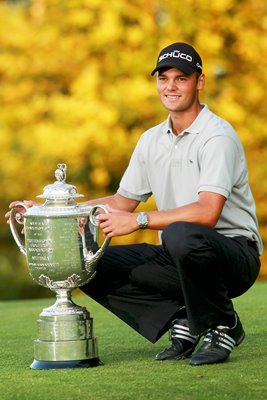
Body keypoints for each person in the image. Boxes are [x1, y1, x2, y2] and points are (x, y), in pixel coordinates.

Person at [7, 42, 262, 366]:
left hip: (234, 255)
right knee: (89, 265)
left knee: (179, 234)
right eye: (163, 78)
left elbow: (208, 212)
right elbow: (121, 201)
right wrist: (48, 212)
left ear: (199, 82)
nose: (170, 86)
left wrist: (139, 222)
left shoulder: (216, 136)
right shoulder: (151, 140)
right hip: (180, 254)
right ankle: (183, 319)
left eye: (181, 78)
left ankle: (222, 324)